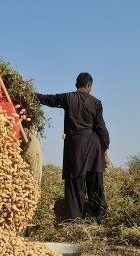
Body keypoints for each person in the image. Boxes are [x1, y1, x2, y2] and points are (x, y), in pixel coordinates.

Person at [36, 72, 111, 221]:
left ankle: (74, 221)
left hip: (75, 148)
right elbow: (101, 129)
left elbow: (48, 99)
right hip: (94, 148)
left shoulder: (67, 98)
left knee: (75, 186)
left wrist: (30, 94)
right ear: (89, 85)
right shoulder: (96, 103)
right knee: (96, 185)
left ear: (76, 85)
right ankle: (99, 220)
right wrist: (105, 152)